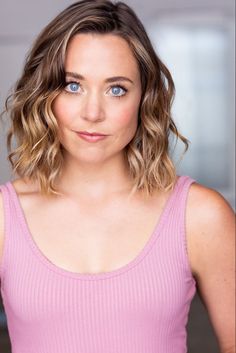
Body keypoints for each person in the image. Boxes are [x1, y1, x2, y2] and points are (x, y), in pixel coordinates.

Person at [0, 0, 235, 352]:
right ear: (45, 93)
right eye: (73, 85)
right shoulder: (4, 217)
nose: (93, 112)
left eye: (116, 89)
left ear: (145, 99)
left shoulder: (200, 216)